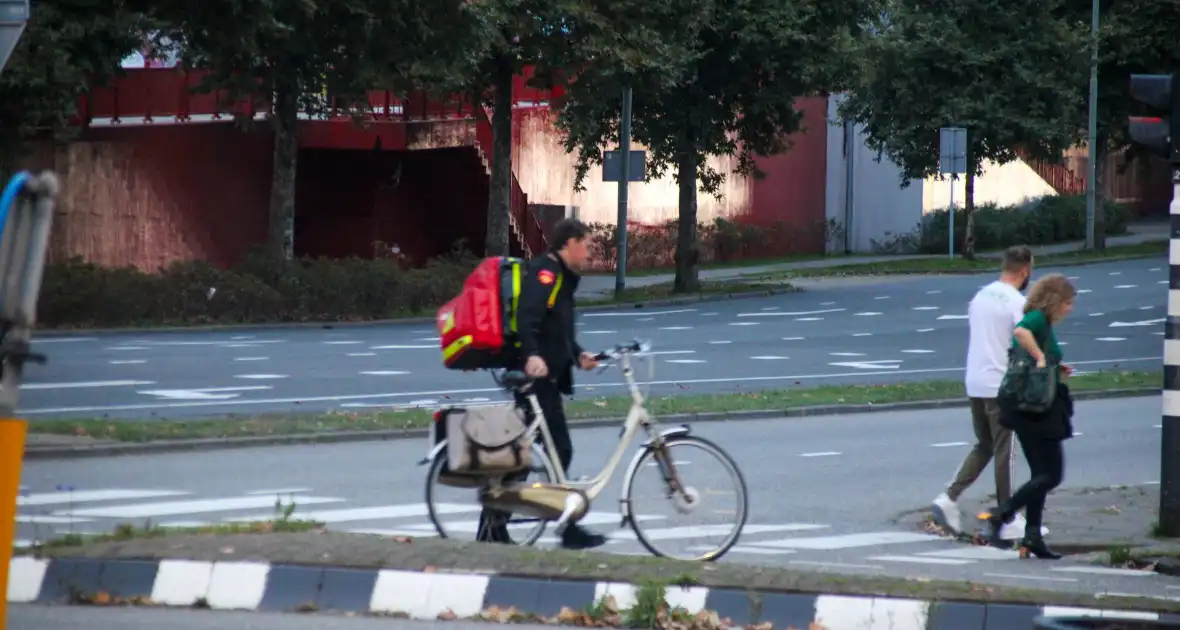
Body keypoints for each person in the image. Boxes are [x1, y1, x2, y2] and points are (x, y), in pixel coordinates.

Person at [475, 218, 608, 550]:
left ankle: (494, 526)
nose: (589, 253)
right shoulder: (546, 273)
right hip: (536, 377)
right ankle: (564, 527)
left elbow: (558, 330)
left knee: (526, 454)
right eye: (586, 245)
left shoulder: (561, 277)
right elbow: (527, 317)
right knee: (557, 449)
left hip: (546, 377)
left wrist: (578, 355)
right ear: (569, 244)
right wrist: (532, 355)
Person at [931, 246, 1034, 540]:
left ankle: (949, 498)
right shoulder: (1016, 302)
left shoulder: (981, 296)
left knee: (985, 445)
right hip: (998, 385)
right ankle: (1008, 516)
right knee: (1005, 451)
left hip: (974, 381)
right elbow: (1022, 339)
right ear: (1025, 269)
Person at [978, 273, 1077, 559]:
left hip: (1027, 408)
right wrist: (1041, 357)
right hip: (1039, 410)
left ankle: (1032, 536)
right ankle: (1001, 513)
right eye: (1068, 303)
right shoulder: (1037, 319)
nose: (1069, 309)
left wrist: (1053, 366)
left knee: (1040, 474)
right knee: (1052, 474)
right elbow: (1021, 332)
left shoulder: (1042, 322)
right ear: (1054, 300)